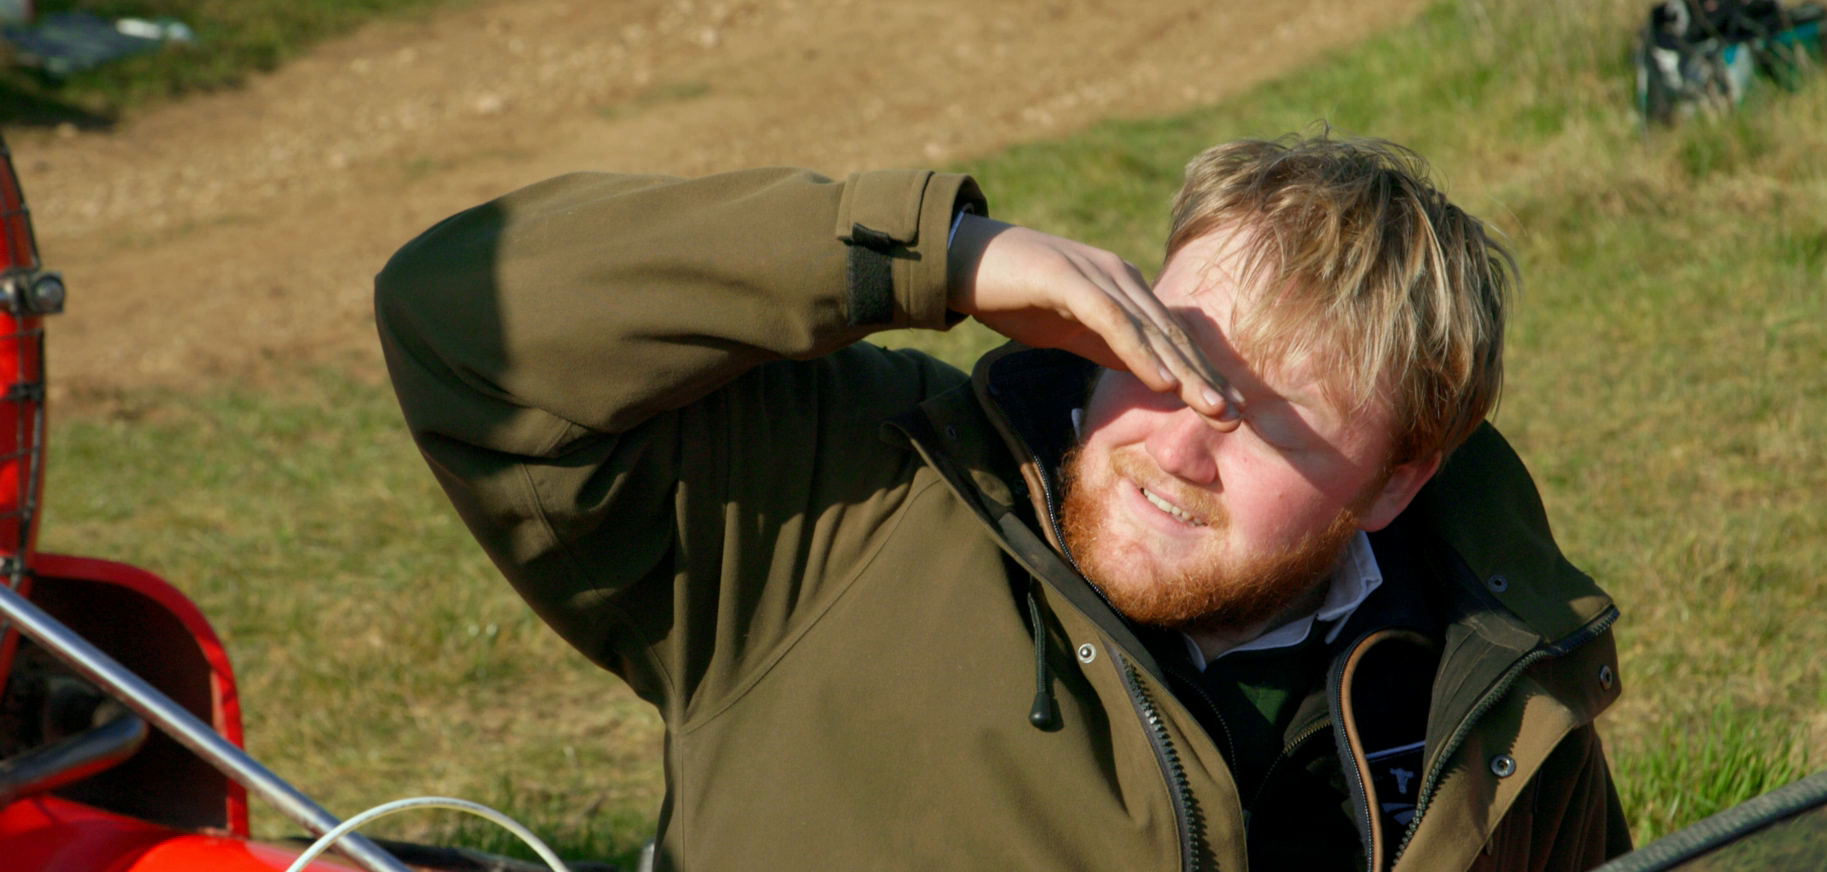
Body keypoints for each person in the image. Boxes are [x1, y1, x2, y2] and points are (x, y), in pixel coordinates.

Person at [375, 131, 1632, 872]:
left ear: (1398, 479)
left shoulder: (1495, 702)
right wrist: (939, 255)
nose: (1178, 446)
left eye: (1273, 416)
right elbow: (460, 318)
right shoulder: (859, 496)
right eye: (1169, 352)